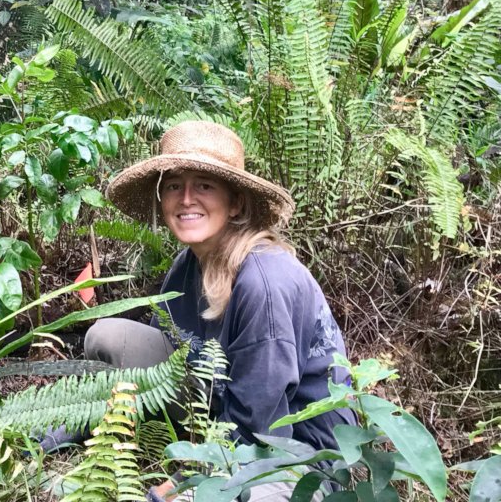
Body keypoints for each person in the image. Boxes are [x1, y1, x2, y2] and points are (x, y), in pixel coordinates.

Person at [95, 120, 356, 501]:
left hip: (296, 451)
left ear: (235, 202)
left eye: (204, 185)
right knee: (107, 337)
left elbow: (260, 429)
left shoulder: (263, 282)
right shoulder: (188, 263)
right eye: (173, 185)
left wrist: (178, 486)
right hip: (221, 403)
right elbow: (162, 372)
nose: (186, 199)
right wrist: (75, 427)